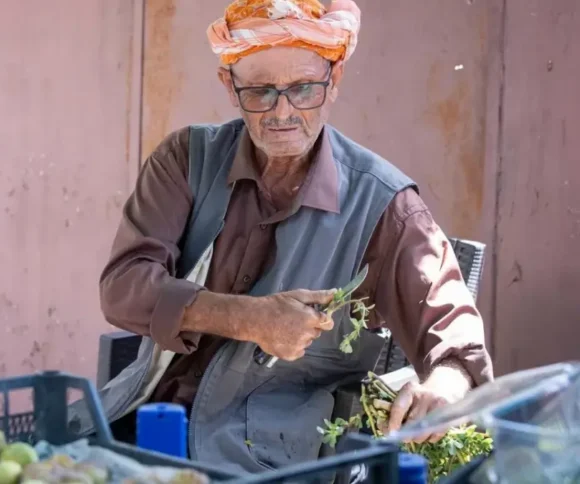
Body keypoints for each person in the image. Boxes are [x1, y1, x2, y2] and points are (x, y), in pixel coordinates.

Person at [74, 0, 493, 473]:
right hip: (138, 422)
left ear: (333, 82)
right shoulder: (186, 160)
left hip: (269, 462)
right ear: (229, 88)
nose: (282, 111)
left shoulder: (386, 206)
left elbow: (456, 338)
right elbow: (123, 289)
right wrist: (248, 318)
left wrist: (445, 385)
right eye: (259, 91)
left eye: (303, 88)